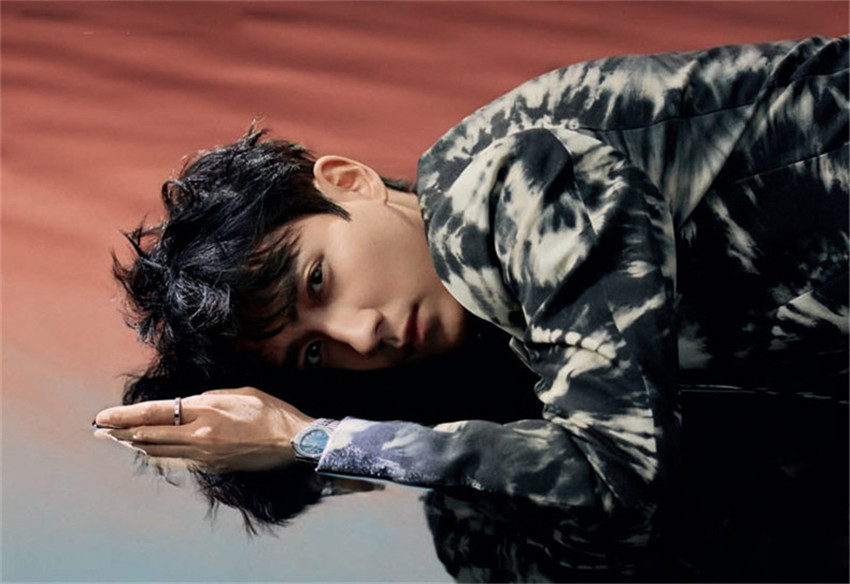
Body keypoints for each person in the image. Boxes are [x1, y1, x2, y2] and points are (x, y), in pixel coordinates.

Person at [94, 35, 848, 576]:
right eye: (314, 353)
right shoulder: (480, 393)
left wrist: (315, 440)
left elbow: (617, 475)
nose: (363, 334)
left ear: (347, 181)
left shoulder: (506, 189)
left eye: (319, 281)